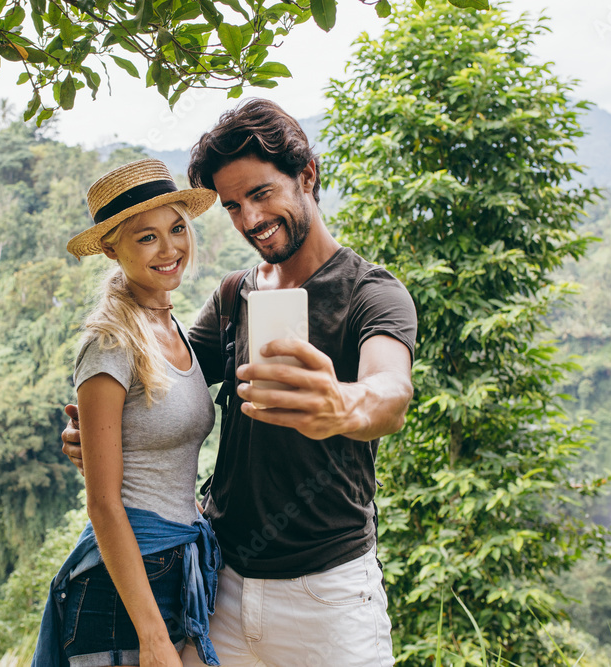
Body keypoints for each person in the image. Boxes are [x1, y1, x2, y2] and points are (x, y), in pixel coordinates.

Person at [62, 99, 418, 666]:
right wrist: (102, 435)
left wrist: (343, 404)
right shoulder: (234, 295)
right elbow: (163, 386)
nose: (250, 219)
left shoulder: (371, 294)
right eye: (232, 206)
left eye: (261, 194)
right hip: (220, 587)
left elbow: (390, 393)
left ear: (307, 176)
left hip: (327, 598)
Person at [32, 159, 223, 667]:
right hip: (125, 590)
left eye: (177, 228)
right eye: (147, 237)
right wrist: (152, 636)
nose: (170, 249)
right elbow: (103, 504)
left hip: (173, 566)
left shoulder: (172, 327)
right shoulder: (111, 342)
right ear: (112, 249)